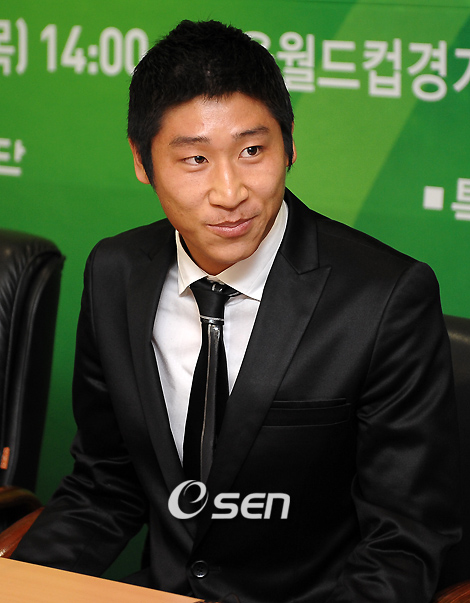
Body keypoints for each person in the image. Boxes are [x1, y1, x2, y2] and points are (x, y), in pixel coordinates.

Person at [12, 19, 460, 603]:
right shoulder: (115, 273)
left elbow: (403, 541)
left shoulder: (385, 297)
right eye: (195, 159)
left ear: (290, 145)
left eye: (252, 151)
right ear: (143, 162)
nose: (230, 193)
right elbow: (105, 485)